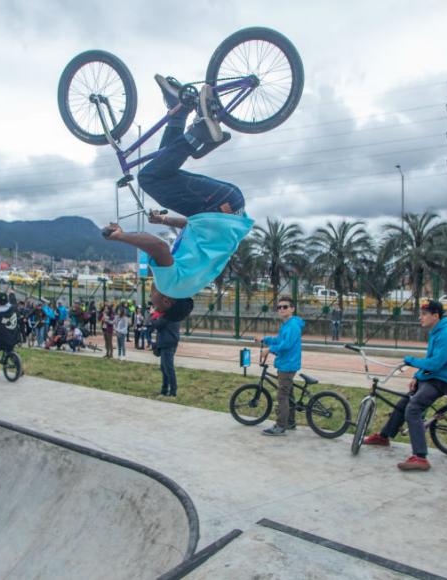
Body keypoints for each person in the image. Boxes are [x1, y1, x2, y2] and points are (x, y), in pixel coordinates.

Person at [103, 77, 254, 325]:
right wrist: (121, 236)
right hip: (217, 208)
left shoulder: (193, 280)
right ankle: (200, 132)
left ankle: (179, 109)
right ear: (167, 302)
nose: (151, 297)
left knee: (163, 164)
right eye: (154, 302)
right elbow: (158, 246)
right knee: (150, 178)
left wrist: (164, 219)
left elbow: (197, 229)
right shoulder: (170, 285)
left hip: (228, 207)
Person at [363, 300, 447, 471]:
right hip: (434, 376)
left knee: (413, 408)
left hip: (444, 380)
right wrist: (417, 376)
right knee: (403, 403)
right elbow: (430, 363)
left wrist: (411, 361)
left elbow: (434, 363)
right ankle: (384, 436)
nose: (420, 317)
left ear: (436, 316)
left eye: (424, 314)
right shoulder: (436, 332)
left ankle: (420, 457)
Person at [260, 296, 305, 436]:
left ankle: (280, 426)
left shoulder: (292, 326)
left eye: (285, 307)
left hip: (288, 365)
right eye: (279, 307)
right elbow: (280, 340)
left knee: (282, 396)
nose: (281, 309)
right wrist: (265, 339)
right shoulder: (287, 324)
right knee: (289, 395)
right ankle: (290, 422)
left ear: (292, 309)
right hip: (286, 363)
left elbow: (286, 345)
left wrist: (269, 349)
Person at [150, 313, 180, 396]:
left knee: (168, 369)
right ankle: (164, 390)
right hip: (170, 343)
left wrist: (153, 315)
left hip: (167, 344)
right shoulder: (176, 314)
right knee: (164, 368)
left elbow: (156, 325)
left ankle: (172, 392)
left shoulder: (167, 315)